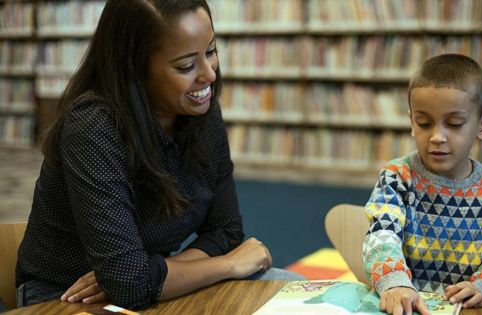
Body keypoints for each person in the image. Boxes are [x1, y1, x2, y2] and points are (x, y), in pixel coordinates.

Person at [16, 0, 301, 310]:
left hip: (155, 285)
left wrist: (151, 274)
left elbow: (225, 230)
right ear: (135, 68)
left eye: (211, 52)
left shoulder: (201, 114)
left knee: (293, 290)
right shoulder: (92, 127)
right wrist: (230, 265)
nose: (209, 75)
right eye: (186, 66)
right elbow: (130, 284)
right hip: (64, 296)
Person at [362, 54, 482, 315]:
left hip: (464, 308)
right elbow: (381, 237)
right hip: (404, 304)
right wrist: (395, 282)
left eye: (455, 124)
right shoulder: (396, 176)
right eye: (424, 123)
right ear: (412, 122)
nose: (437, 137)